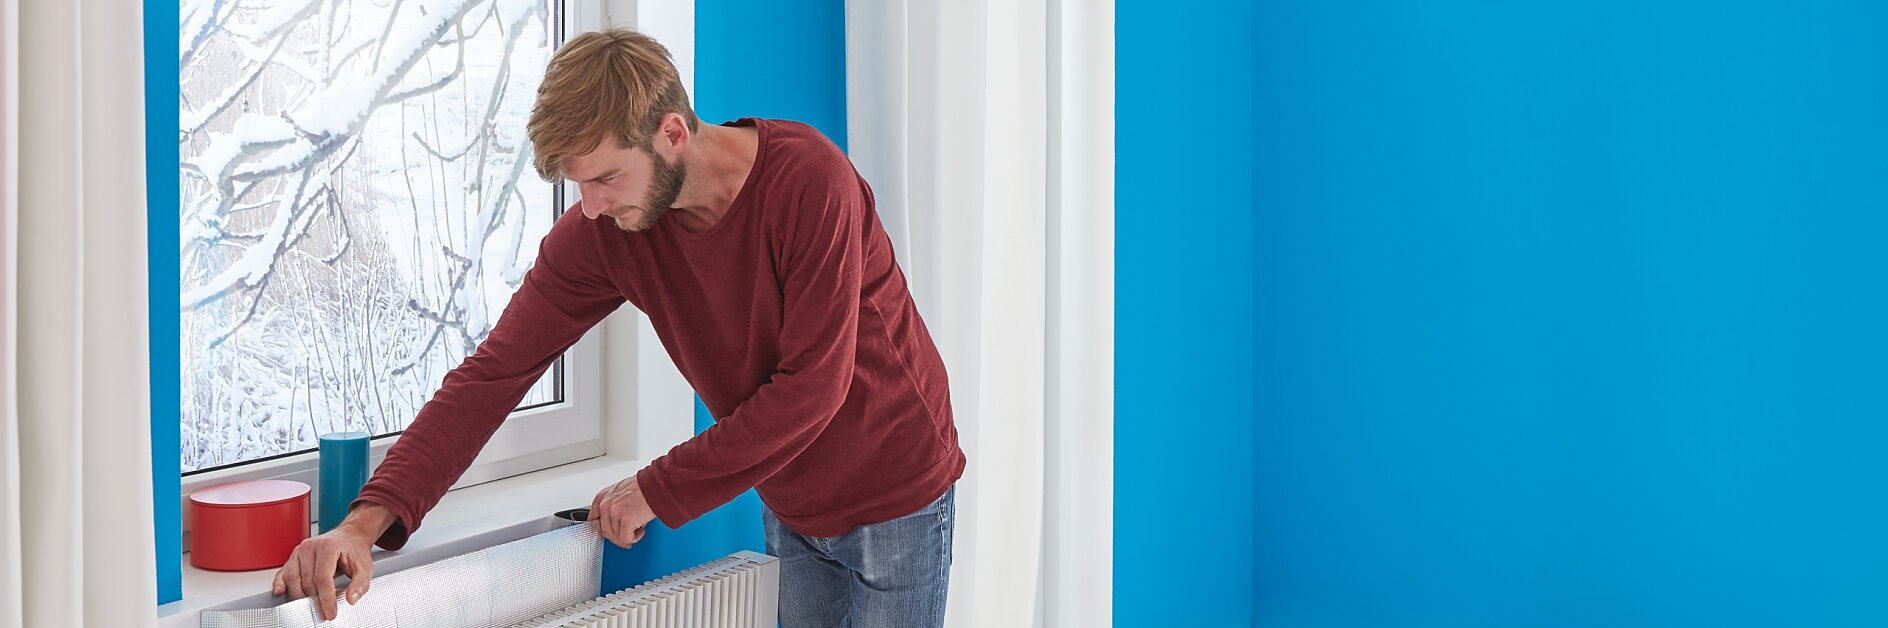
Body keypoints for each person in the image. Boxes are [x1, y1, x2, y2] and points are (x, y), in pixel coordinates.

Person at [270, 27, 965, 628]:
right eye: (579, 185)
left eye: (605, 178)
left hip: (894, 480)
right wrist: (362, 525)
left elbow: (814, 387)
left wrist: (655, 489)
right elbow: (492, 375)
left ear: (672, 132)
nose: (592, 207)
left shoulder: (811, 184)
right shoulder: (605, 236)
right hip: (790, 492)